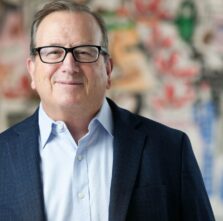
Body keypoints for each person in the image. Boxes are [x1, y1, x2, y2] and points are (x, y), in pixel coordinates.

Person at [0, 0, 215, 221]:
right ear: (32, 70)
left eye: (84, 52)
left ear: (108, 69)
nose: (69, 66)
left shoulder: (170, 149)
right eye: (53, 52)